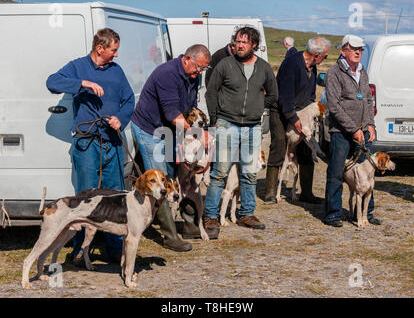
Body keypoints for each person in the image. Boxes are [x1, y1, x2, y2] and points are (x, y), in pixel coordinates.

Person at [46, 28, 135, 263]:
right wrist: (83, 83)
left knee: (115, 194)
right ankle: (79, 248)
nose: (116, 55)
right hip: (87, 141)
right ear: (100, 49)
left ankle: (115, 249)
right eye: (113, 50)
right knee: (85, 197)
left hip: (112, 141)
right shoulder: (78, 66)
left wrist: (121, 119)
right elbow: (52, 82)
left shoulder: (117, 71)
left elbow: (129, 100)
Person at [131, 44, 213, 251]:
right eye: (198, 67)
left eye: (203, 69)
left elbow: (189, 109)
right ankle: (170, 236)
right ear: (187, 59)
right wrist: (197, 134)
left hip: (171, 131)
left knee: (179, 177)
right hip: (150, 131)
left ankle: (191, 226)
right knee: (161, 181)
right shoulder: (166, 74)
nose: (200, 73)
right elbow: (172, 114)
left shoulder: (194, 76)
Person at [204, 26, 278, 234]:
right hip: (227, 124)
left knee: (249, 173)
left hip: (252, 127)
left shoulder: (264, 68)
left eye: (244, 42)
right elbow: (211, 93)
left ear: (254, 45)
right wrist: (215, 120)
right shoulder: (225, 65)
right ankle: (210, 216)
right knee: (219, 173)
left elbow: (273, 95)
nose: (240, 45)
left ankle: (246, 213)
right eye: (237, 41)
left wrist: (257, 105)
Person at [265, 37, 330, 204]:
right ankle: (271, 192)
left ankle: (306, 193)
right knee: (279, 145)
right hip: (280, 111)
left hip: (301, 112)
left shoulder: (312, 67)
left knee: (306, 148)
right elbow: (285, 97)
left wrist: (307, 117)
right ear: (316, 55)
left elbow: (309, 95)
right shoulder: (291, 64)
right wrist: (294, 119)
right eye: (325, 56)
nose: (325, 59)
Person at [324, 34, 379, 227]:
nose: (358, 52)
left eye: (360, 49)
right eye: (354, 48)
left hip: (363, 131)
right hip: (341, 132)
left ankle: (365, 214)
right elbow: (334, 106)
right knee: (337, 173)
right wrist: (353, 129)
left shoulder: (363, 72)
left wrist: (370, 125)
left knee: (367, 174)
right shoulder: (334, 73)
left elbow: (368, 101)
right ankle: (333, 214)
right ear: (343, 51)